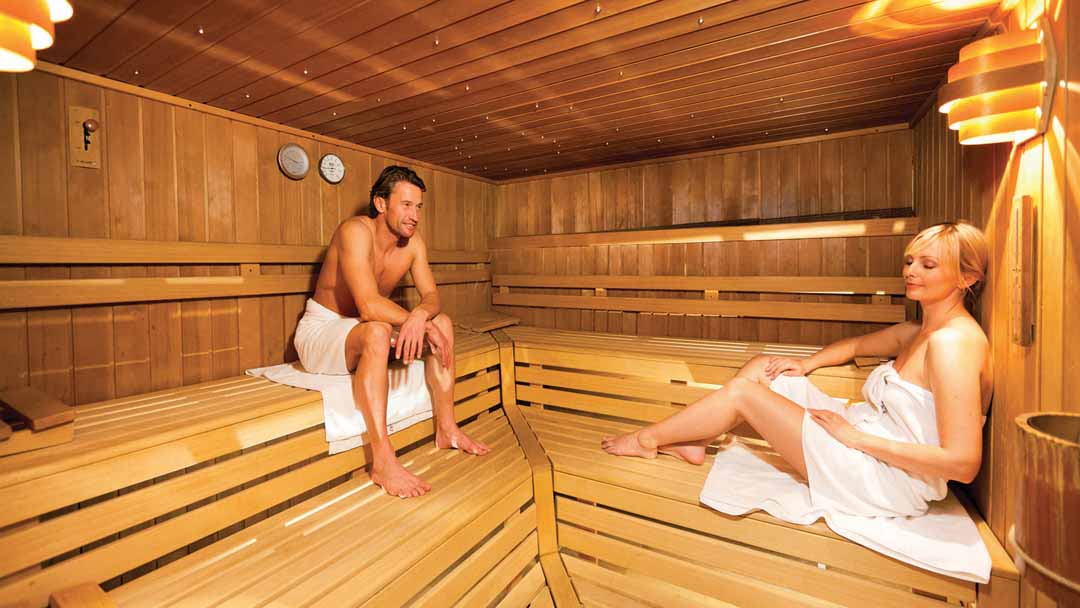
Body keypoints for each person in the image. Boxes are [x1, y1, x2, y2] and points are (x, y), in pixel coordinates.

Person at [602, 222, 991, 517]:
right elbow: (855, 346)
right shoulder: (918, 332)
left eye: (927, 265)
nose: (911, 271)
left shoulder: (953, 345)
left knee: (743, 393)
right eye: (910, 261)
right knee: (765, 369)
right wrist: (806, 364)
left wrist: (854, 438)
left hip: (884, 477)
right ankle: (695, 440)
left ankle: (647, 439)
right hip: (864, 438)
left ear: (967, 277)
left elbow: (963, 463)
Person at [295, 165, 489, 499]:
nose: (415, 216)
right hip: (322, 331)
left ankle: (447, 428)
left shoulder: (413, 245)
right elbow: (368, 306)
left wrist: (422, 316)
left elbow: (432, 297)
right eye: (406, 205)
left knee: (442, 323)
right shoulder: (355, 231)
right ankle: (382, 460)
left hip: (361, 329)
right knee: (378, 331)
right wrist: (417, 321)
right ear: (381, 203)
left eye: (419, 207)